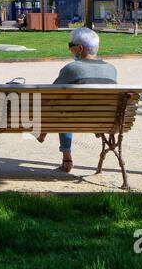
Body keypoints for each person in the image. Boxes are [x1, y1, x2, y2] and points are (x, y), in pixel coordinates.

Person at [36, 27, 118, 173]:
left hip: (73, 119)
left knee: (63, 109)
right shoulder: (111, 69)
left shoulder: (71, 69)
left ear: (80, 48)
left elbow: (50, 93)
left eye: (70, 46)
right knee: (67, 107)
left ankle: (65, 156)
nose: (69, 50)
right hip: (104, 121)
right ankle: (44, 132)